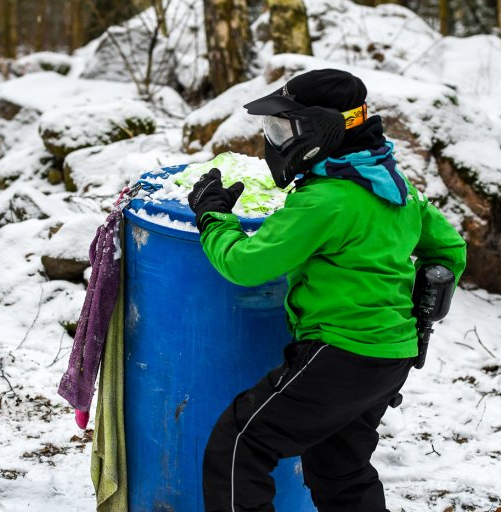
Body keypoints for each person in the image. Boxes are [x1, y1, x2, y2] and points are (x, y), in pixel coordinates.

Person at [188, 69, 467, 512]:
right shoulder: (394, 186)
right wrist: (421, 308)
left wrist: (213, 216)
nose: (275, 140)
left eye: (284, 128)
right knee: (340, 468)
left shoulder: (326, 200)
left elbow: (245, 265)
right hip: (390, 356)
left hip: (339, 355)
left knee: (241, 444)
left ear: (323, 129)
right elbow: (449, 250)